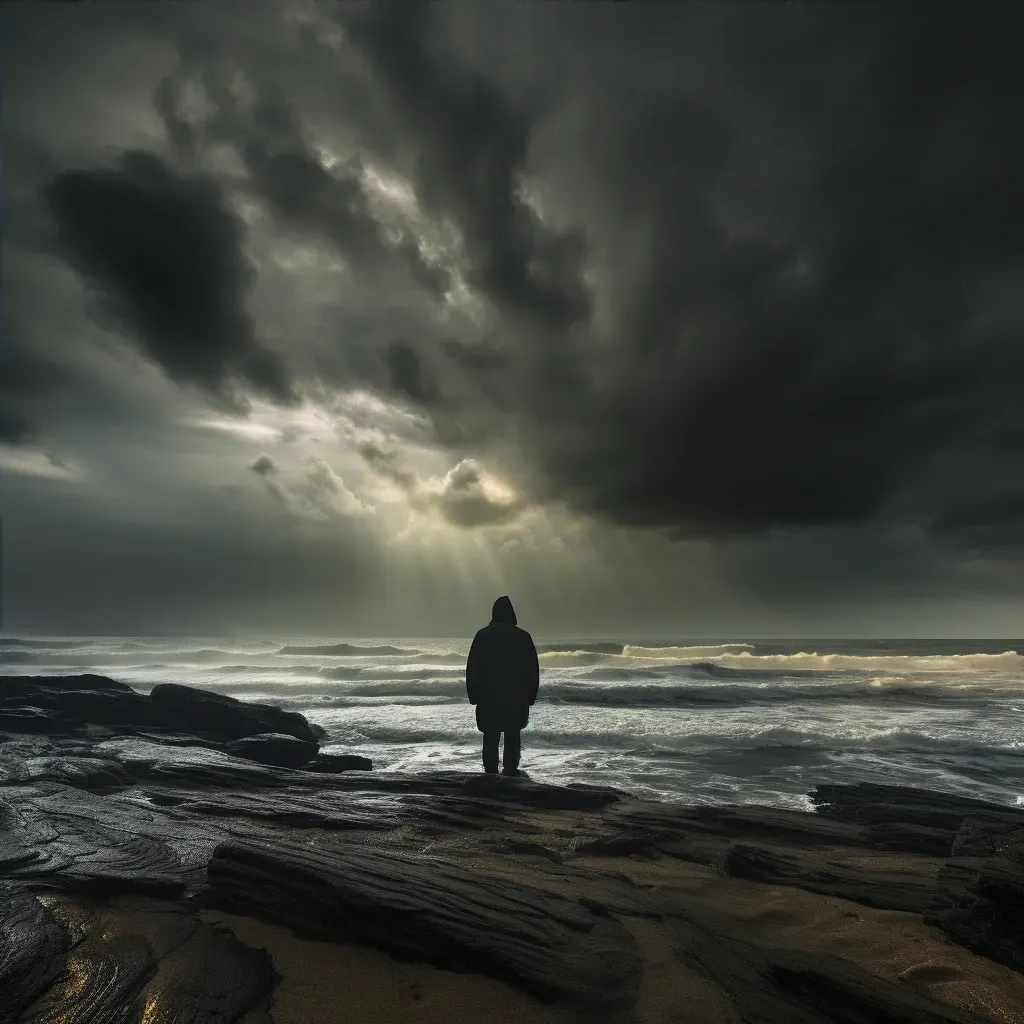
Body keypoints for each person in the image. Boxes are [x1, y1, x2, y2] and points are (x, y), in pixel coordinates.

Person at [465, 595, 540, 776]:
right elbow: (532, 669)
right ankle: (510, 771)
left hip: (488, 696)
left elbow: (473, 667)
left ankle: (490, 773)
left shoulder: (483, 635)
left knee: (490, 735)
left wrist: (473, 694)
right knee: (512, 734)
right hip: (516, 696)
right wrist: (531, 695)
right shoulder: (523, 637)